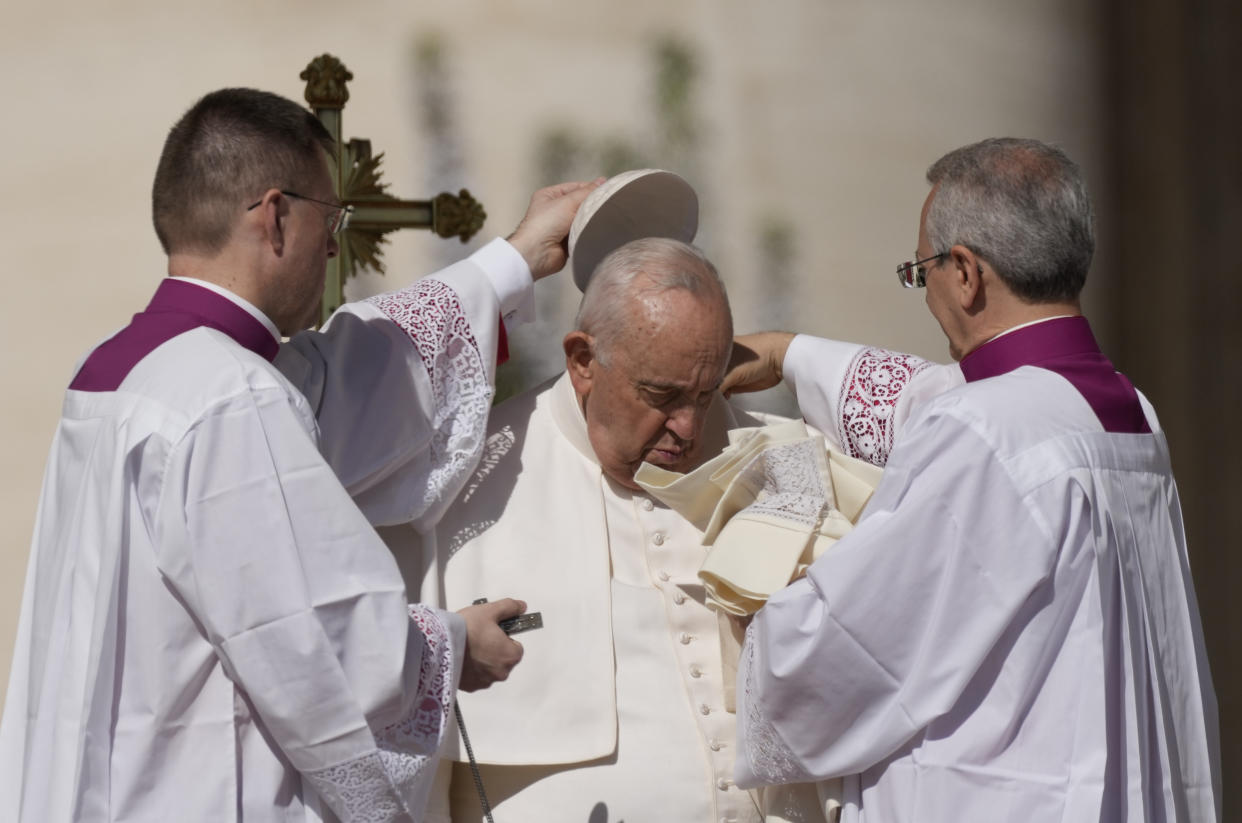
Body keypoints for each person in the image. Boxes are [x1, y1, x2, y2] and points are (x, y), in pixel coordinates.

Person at [0, 87, 598, 823]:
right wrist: (450, 645)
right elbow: (318, 640)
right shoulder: (232, 395)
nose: (335, 244)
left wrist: (507, 263)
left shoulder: (124, 374)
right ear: (275, 215)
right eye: (331, 218)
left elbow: (340, 384)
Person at [722, 138, 1221, 822]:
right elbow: (932, 399)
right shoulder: (1126, 407)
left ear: (965, 272)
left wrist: (748, 581)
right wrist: (789, 353)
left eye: (919, 270)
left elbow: (853, 648)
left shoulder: (984, 428)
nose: (923, 289)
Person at [392, 237, 821, 822]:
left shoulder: (784, 461)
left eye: (706, 392)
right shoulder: (460, 485)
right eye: (662, 395)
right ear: (582, 361)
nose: (689, 427)